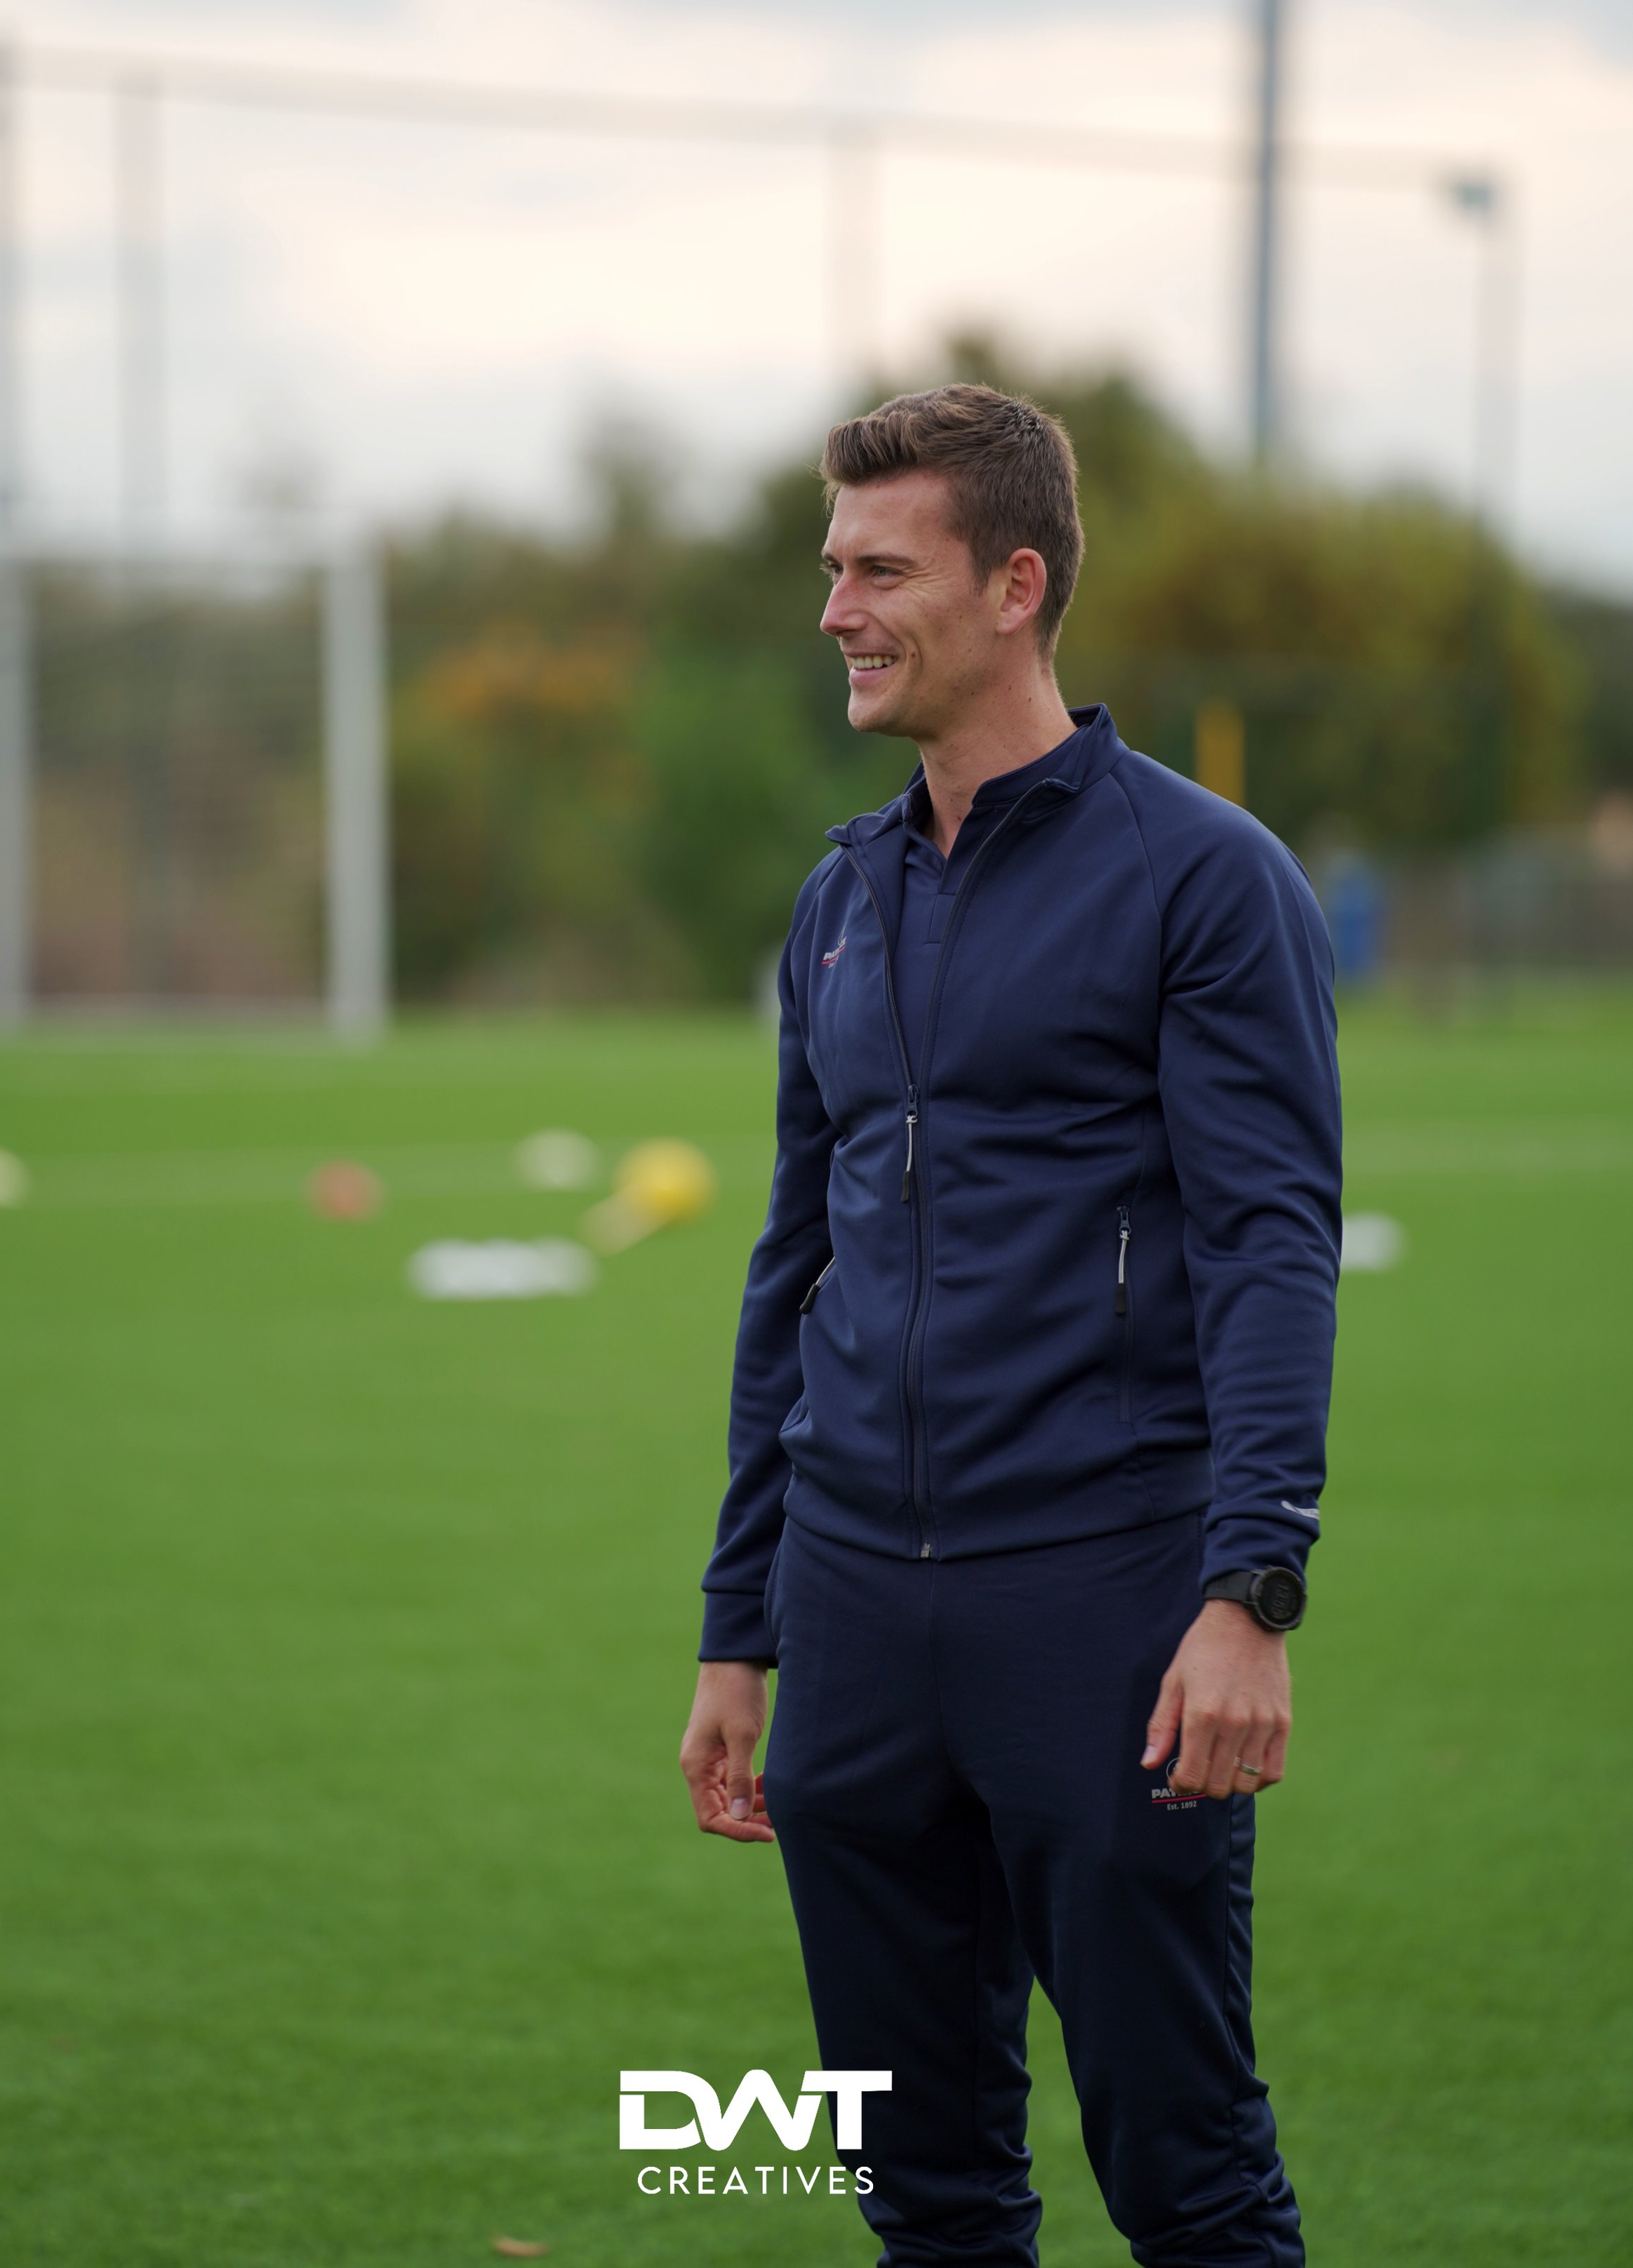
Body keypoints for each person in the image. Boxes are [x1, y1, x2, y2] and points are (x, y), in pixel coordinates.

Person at [679, 385, 1340, 2267]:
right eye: (830, 567)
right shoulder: (839, 898)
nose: (833, 609)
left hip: (1105, 1604)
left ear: (1014, 584)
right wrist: (744, 1628)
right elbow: (791, 1270)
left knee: (1187, 2180)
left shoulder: (1203, 880)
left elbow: (1271, 1244)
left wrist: (1249, 1596)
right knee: (921, 2192)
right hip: (858, 1623)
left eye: (878, 569)